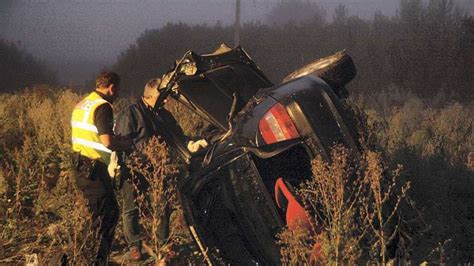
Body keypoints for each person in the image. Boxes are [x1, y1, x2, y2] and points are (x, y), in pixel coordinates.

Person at [114, 78, 208, 262]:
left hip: (158, 169)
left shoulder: (163, 115)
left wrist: (191, 144)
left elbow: (178, 135)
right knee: (131, 208)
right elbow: (122, 142)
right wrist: (135, 162)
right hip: (134, 167)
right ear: (149, 96)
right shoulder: (130, 114)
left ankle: (163, 243)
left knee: (163, 205)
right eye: (161, 96)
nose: (165, 101)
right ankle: (134, 246)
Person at [71, 71, 133, 265]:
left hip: (81, 164)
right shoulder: (103, 106)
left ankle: (93, 256)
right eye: (118, 90)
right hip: (93, 168)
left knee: (97, 214)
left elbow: (91, 135)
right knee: (106, 215)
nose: (117, 94)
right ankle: (97, 260)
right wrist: (125, 144)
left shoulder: (84, 103)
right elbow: (106, 141)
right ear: (112, 87)